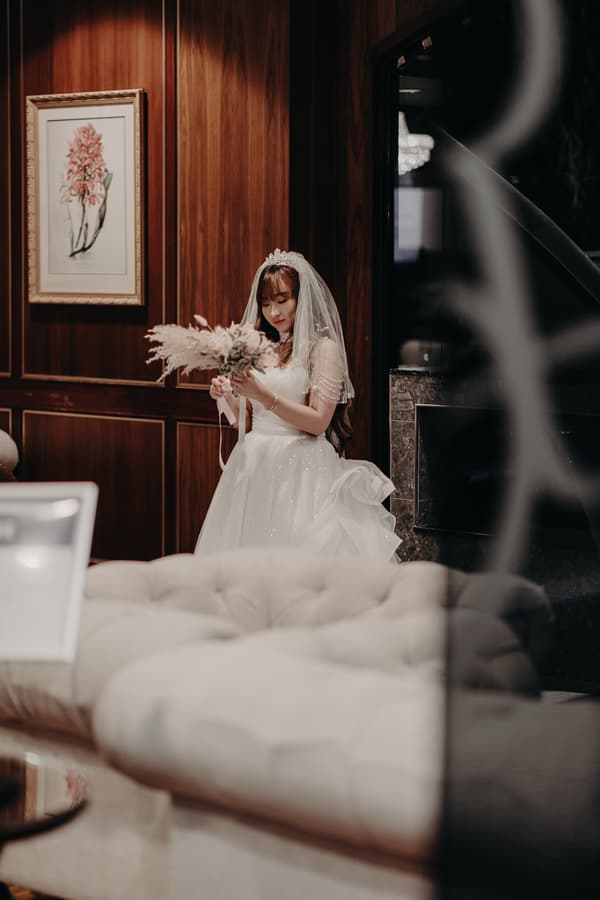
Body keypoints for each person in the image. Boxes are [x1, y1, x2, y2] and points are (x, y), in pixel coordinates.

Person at [194, 249, 401, 561]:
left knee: (297, 561)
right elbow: (246, 423)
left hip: (302, 467)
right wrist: (226, 393)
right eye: (265, 304)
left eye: (282, 300)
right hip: (254, 463)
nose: (273, 312)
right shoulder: (261, 348)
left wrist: (264, 395)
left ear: (301, 299)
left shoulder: (323, 350)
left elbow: (318, 421)